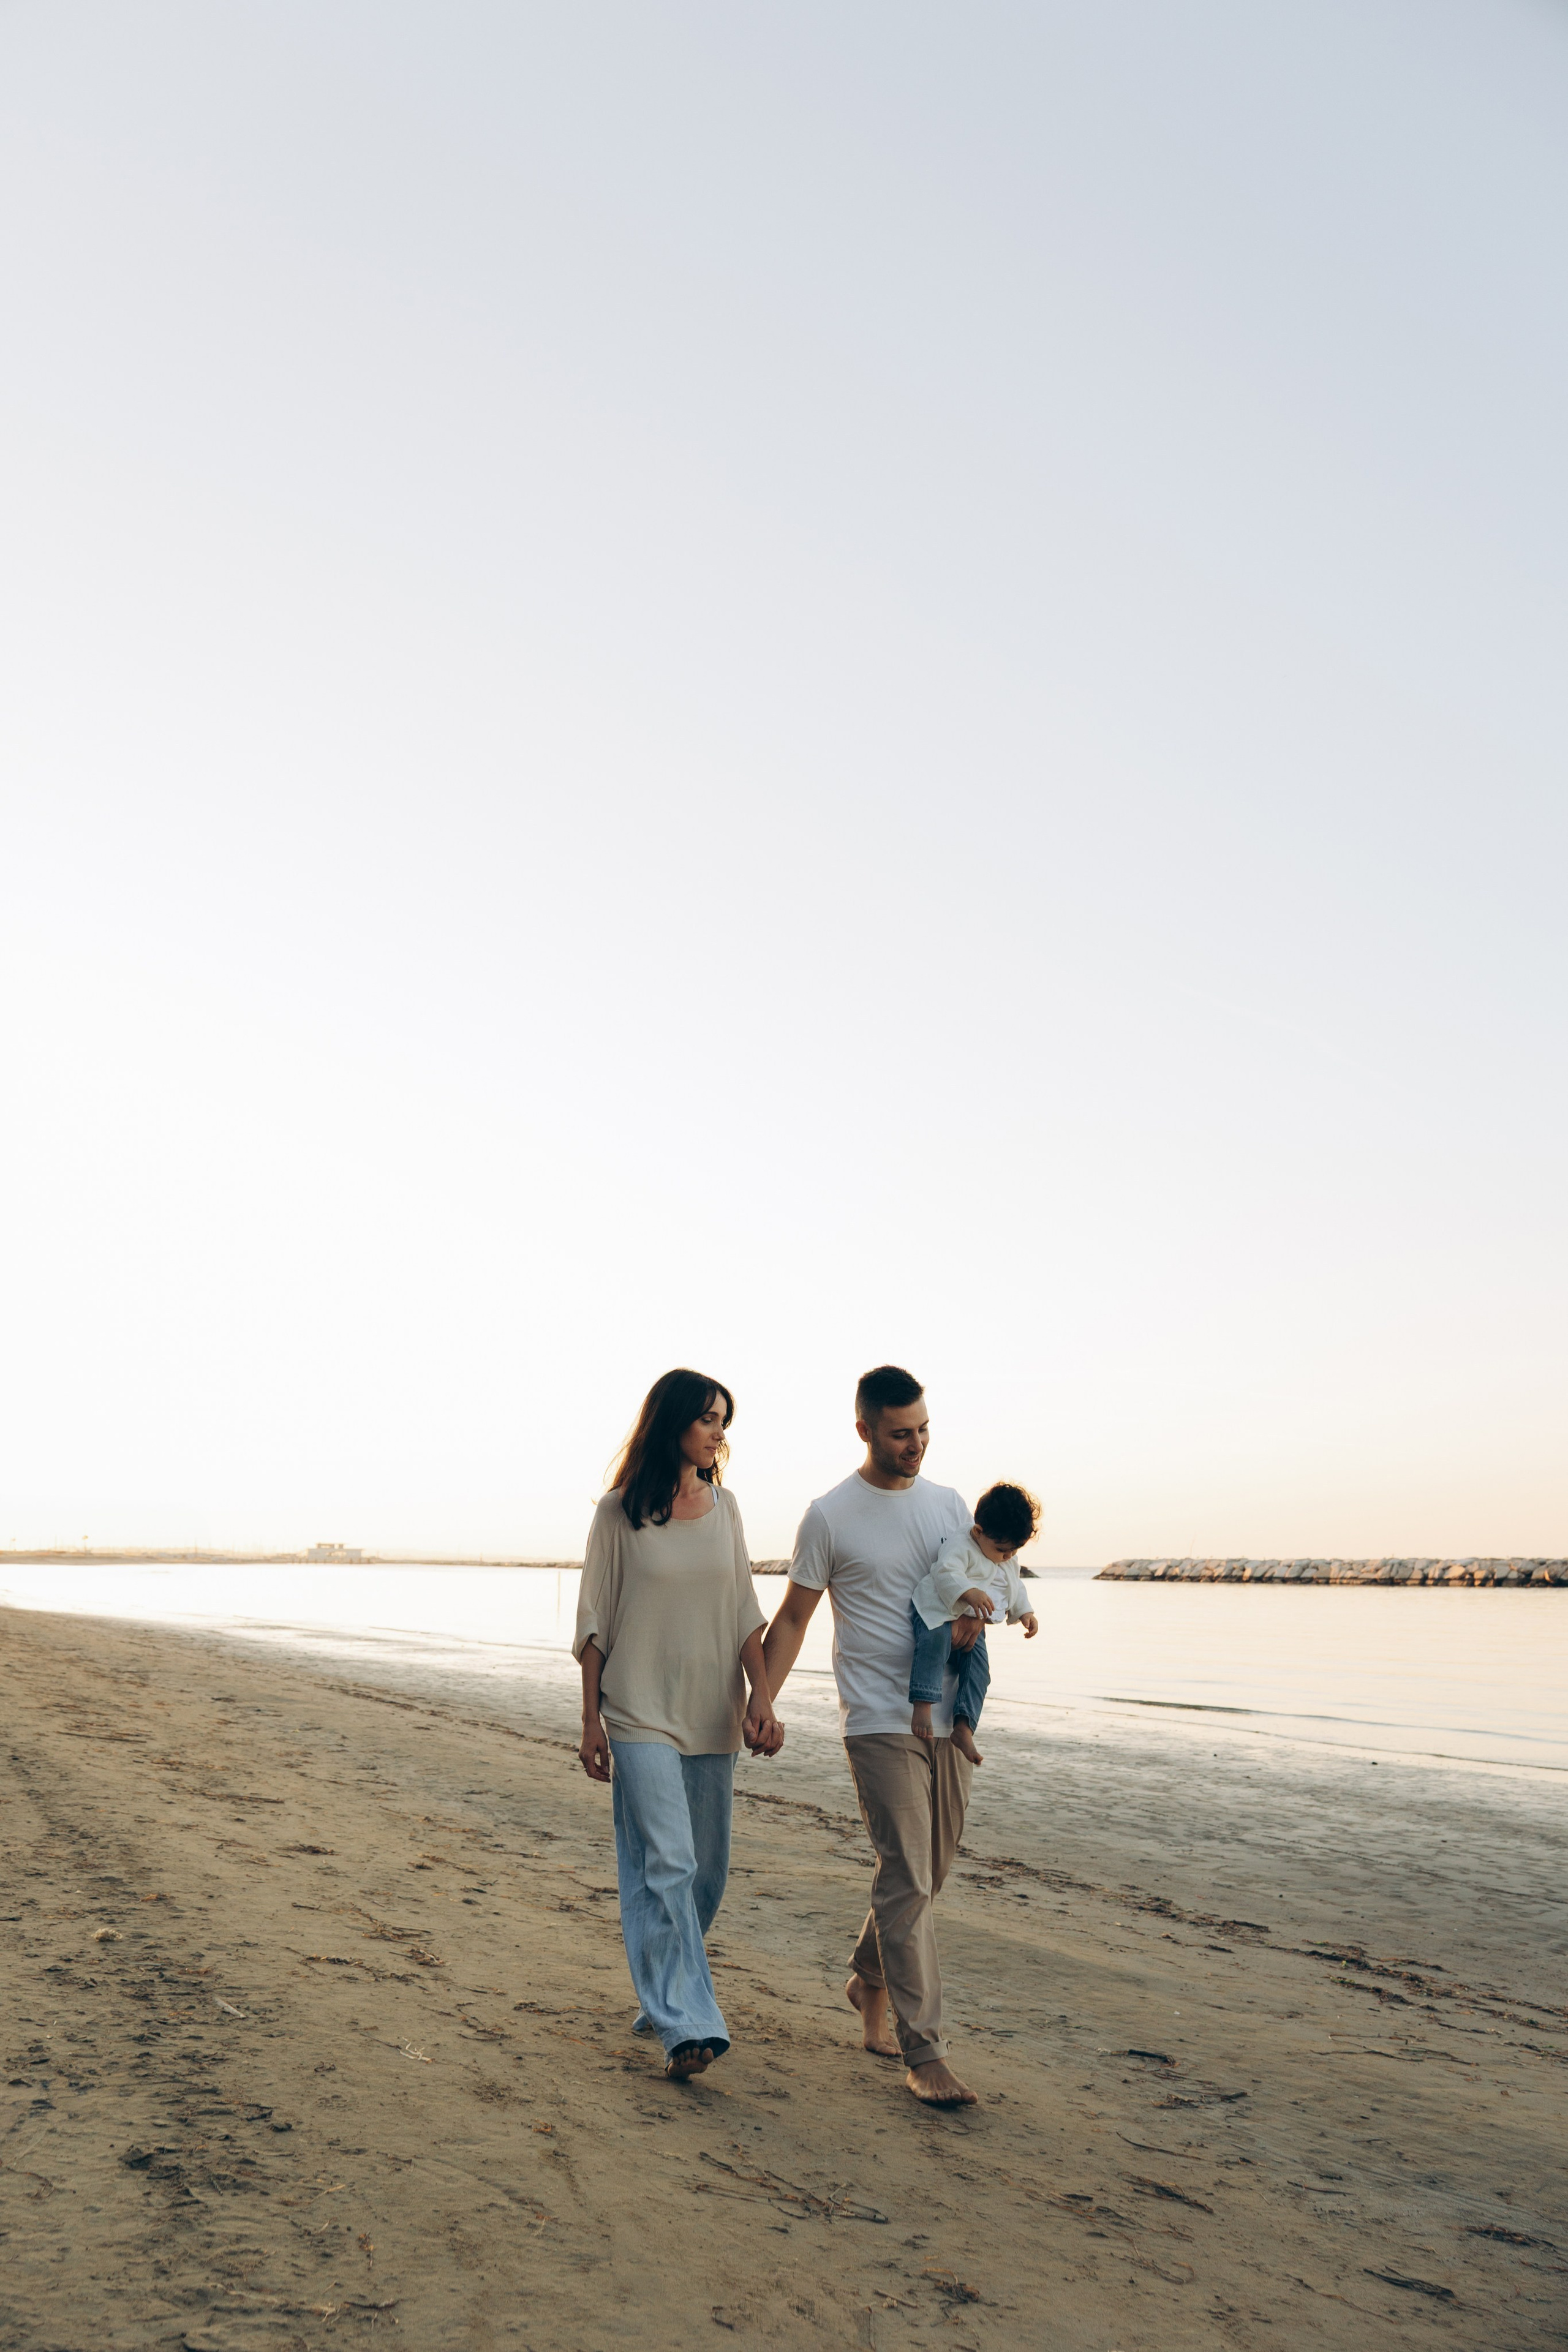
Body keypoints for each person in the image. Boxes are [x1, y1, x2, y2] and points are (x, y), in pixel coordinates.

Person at [761, 1365, 980, 2108]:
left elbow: (976, 1583)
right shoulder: (830, 1515)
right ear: (863, 1430)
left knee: (924, 1874)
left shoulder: (949, 1506)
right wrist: (761, 1699)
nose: (914, 1444)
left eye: (922, 1430)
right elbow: (793, 1617)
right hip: (879, 1720)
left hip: (948, 1720)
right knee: (910, 1876)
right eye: (899, 1433)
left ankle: (867, 1977)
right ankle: (925, 2053)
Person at [575, 1368, 783, 2083]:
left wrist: (763, 1696)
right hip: (636, 1711)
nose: (720, 1433)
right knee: (667, 1863)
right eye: (708, 1419)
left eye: (724, 1420)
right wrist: (589, 1720)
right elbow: (594, 1623)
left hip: (711, 1709)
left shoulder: (726, 1510)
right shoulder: (617, 1514)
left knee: (705, 1878)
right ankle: (687, 2026)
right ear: (671, 1425)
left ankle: (661, 1991)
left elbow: (744, 1613)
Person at [909, 1482, 1041, 1766]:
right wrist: (968, 1592)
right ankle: (922, 1705)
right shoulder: (962, 1544)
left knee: (979, 1670)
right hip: (937, 1610)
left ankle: (964, 1727)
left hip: (971, 1618)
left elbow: (1012, 1586)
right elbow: (946, 1571)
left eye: (1015, 1550)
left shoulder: (1005, 1555)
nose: (1009, 1556)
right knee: (934, 1645)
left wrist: (1025, 1613)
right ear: (978, 1532)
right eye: (1003, 1549)